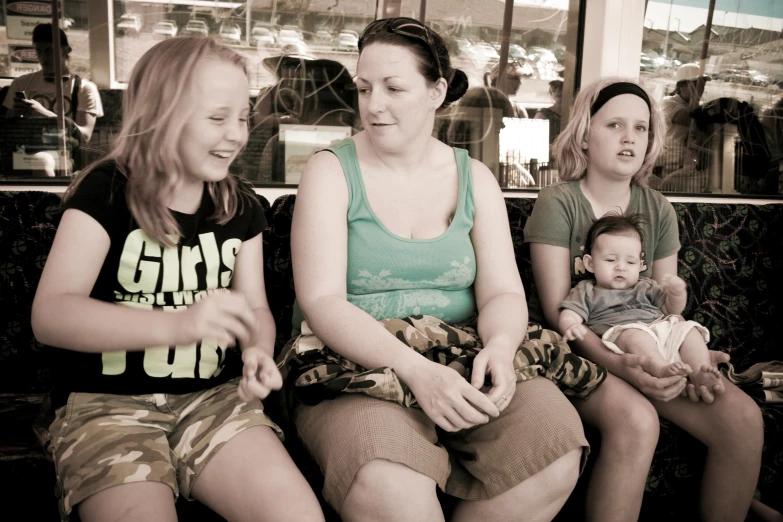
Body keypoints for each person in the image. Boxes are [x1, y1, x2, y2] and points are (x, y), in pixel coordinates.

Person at [289, 17, 588, 522]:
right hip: (353, 367)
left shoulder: (476, 178)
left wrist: (497, 348)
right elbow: (322, 302)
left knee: (554, 454)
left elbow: (502, 295)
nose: (372, 104)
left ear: (436, 91)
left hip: (464, 355)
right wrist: (415, 371)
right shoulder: (330, 170)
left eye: (393, 88)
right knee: (394, 492)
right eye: (363, 88)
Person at [30, 37, 323, 522]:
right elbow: (52, 314)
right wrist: (177, 325)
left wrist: (256, 351)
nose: (235, 134)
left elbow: (254, 309)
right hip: (106, 408)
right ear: (160, 115)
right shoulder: (105, 193)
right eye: (216, 117)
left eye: (243, 117)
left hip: (214, 401)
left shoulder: (239, 205)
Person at [524, 77, 763, 521]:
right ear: (583, 134)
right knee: (637, 421)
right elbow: (563, 314)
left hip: (645, 345)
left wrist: (688, 356)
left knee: (744, 419)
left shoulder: (658, 209)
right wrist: (621, 366)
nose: (630, 137)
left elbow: (664, 305)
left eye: (641, 128)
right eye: (614, 124)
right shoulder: (559, 202)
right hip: (579, 352)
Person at [558, 213, 723, 392]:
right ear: (590, 263)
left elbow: (671, 310)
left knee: (689, 329)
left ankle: (700, 371)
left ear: (640, 265)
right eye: (610, 260)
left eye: (630, 262)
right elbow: (569, 313)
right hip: (624, 335)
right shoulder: (587, 290)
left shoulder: (645, 286)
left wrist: (676, 294)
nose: (621, 267)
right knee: (636, 336)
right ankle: (661, 369)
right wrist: (571, 325)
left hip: (662, 329)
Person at [3, 23, 104, 175]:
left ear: (66, 50)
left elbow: (84, 136)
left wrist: (42, 113)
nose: (43, 57)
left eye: (49, 51)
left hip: (63, 153)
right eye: (39, 51)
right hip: (23, 149)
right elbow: (8, 129)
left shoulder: (83, 88)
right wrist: (16, 117)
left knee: (40, 161)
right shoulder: (21, 83)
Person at [534, 79, 563, 145]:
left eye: (562, 86)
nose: (558, 90)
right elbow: (536, 141)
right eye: (554, 87)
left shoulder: (577, 113)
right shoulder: (542, 114)